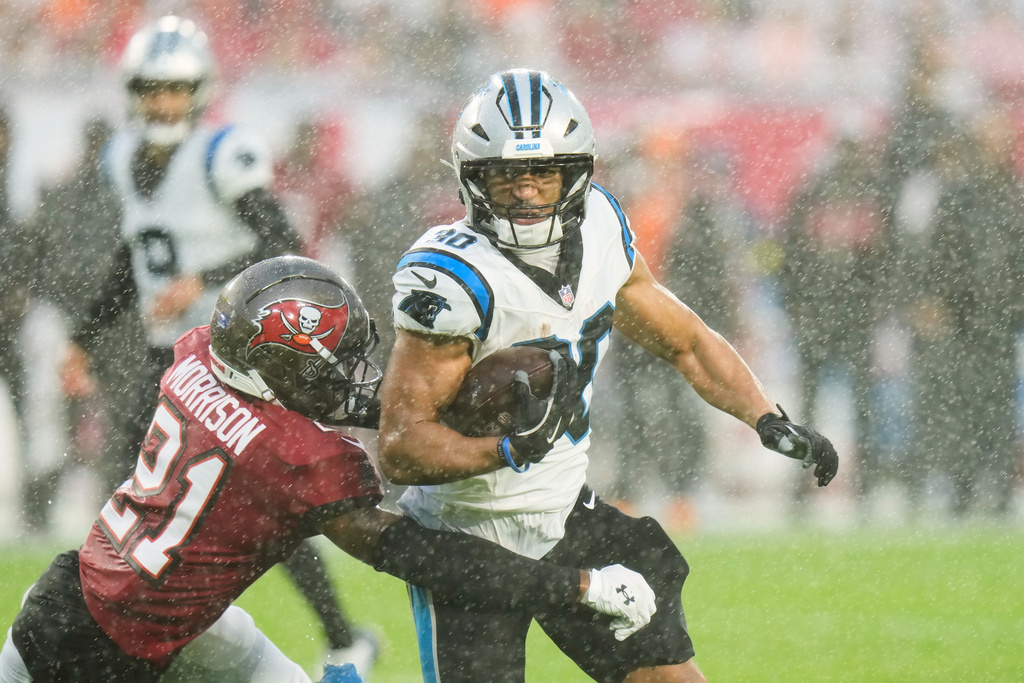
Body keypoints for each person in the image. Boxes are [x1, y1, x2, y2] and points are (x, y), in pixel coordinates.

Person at [377, 69, 840, 682]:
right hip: (469, 540)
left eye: (542, 173)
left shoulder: (599, 227)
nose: (524, 193)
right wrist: (510, 449)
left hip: (568, 513)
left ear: (577, 174)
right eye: (505, 175)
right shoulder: (452, 280)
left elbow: (688, 342)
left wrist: (765, 415)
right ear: (472, 179)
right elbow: (400, 448)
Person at [0, 255, 657, 683]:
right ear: (281, 371)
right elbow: (424, 557)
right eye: (333, 363)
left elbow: (305, 405)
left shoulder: (198, 354)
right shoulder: (293, 459)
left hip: (113, 595)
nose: (352, 376)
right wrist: (576, 586)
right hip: (93, 656)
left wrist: (452, 405)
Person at [64, 16, 374, 673]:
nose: (162, 102)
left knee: (263, 505)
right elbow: (134, 256)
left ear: (199, 91)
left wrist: (201, 280)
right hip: (169, 356)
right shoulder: (122, 158)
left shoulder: (221, 154)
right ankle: (151, 634)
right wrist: (84, 336)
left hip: (238, 361)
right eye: (151, 88)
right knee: (140, 501)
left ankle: (341, 636)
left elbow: (280, 244)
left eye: (174, 89)